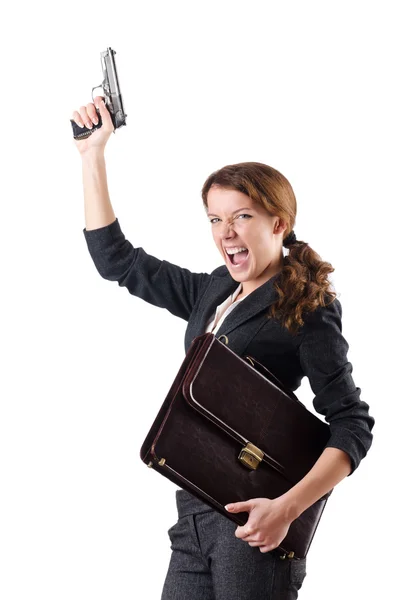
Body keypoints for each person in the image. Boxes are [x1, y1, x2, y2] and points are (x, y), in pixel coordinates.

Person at [71, 96, 375, 600]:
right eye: (214, 219)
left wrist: (286, 509)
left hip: (254, 520)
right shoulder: (213, 290)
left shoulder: (307, 306)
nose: (225, 233)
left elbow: (352, 425)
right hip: (192, 514)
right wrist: (92, 156)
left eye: (240, 217)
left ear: (278, 224)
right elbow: (118, 262)